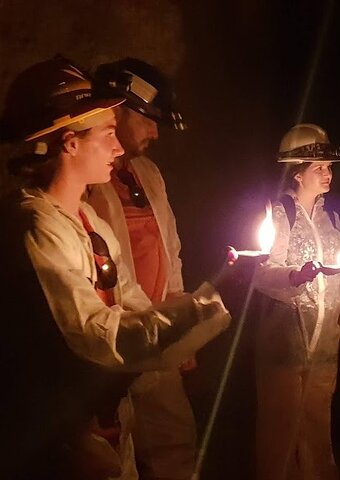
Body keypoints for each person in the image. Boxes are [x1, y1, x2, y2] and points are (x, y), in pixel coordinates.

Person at [0, 56, 230, 480]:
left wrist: (192, 313)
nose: (119, 147)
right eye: (108, 134)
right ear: (70, 143)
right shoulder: (37, 228)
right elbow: (93, 333)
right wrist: (204, 307)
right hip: (60, 431)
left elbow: (133, 303)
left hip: (105, 418)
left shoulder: (89, 221)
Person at [86, 58, 196, 480]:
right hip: (113, 342)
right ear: (117, 110)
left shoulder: (148, 173)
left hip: (156, 333)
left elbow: (171, 248)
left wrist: (181, 326)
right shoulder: (87, 181)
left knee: (176, 444)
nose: (155, 132)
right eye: (148, 120)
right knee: (113, 459)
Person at [253, 123, 340, 480]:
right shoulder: (278, 214)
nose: (328, 174)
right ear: (297, 173)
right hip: (284, 340)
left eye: (329, 167)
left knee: (318, 419)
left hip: (324, 341)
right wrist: (294, 276)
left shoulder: (331, 219)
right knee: (281, 425)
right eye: (319, 168)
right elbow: (260, 272)